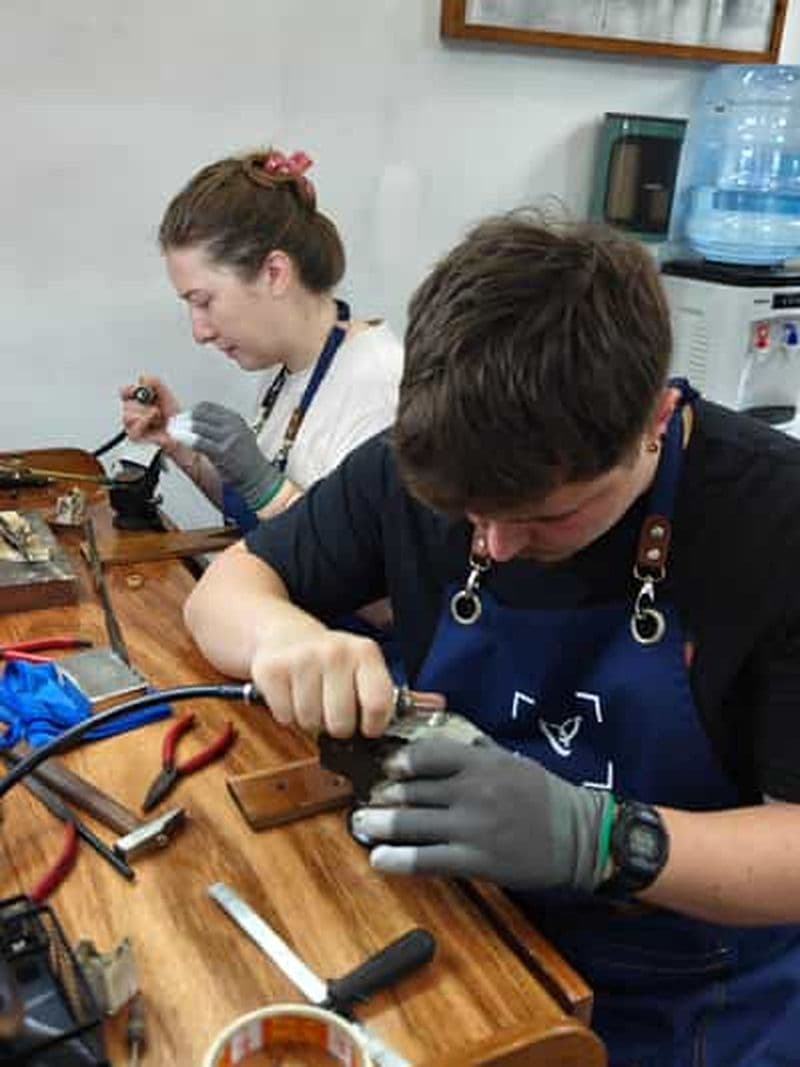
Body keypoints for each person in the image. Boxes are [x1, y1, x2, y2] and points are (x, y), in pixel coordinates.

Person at [182, 212, 800, 1066]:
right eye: (466, 514)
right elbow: (225, 591)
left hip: (688, 984)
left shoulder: (777, 525)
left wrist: (603, 838)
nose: (495, 547)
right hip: (467, 936)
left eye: (544, 516)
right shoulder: (415, 460)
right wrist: (287, 641)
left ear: (655, 418)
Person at [120, 145, 403, 528]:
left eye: (204, 301)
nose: (199, 332)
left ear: (274, 273)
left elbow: (364, 575)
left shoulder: (380, 387)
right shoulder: (286, 368)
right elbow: (262, 517)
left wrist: (262, 483)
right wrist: (179, 444)